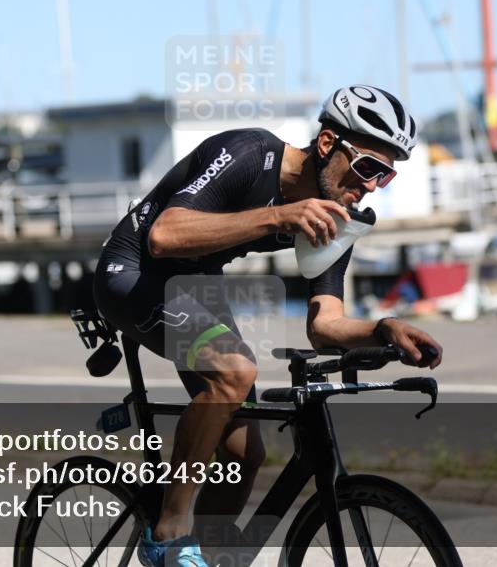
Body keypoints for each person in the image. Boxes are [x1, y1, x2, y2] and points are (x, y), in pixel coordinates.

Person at [92, 85, 444, 567]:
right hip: (132, 272)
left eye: (384, 176)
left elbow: (325, 325)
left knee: (243, 454)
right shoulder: (248, 153)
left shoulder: (336, 218)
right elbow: (163, 236)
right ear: (327, 145)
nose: (369, 185)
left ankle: (207, 558)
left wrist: (384, 329)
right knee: (236, 372)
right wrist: (279, 215)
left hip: (196, 285)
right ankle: (168, 535)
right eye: (366, 168)